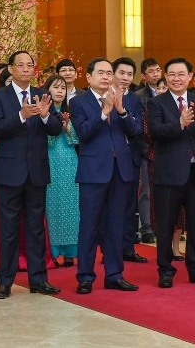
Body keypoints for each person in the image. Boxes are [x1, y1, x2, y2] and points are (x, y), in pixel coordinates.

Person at [0, 51, 63, 299]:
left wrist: (43, 115)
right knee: (8, 229)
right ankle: (5, 281)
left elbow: (54, 129)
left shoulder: (43, 94)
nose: (25, 69)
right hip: (10, 172)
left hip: (37, 171)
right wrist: (21, 116)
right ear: (10, 68)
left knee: (36, 228)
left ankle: (38, 279)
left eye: (29, 65)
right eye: (19, 65)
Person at [69, 57, 142, 294]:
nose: (106, 77)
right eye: (100, 72)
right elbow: (83, 133)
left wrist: (120, 111)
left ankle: (114, 274)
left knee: (115, 225)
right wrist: (103, 113)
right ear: (88, 77)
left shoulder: (125, 99)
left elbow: (135, 131)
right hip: (93, 172)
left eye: (109, 72)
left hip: (120, 170)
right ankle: (86, 276)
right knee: (89, 226)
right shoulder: (79, 102)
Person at [147, 57, 195, 289]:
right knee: (166, 225)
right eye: (172, 74)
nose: (177, 78)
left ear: (190, 77)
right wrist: (179, 123)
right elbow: (155, 132)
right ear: (166, 77)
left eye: (181, 74)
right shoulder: (157, 103)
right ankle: (165, 271)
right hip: (168, 174)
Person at [111, 57, 146, 264]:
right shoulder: (102, 96)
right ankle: (110, 249)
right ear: (113, 73)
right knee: (110, 207)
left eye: (129, 74)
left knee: (128, 206)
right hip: (107, 160)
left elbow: (137, 129)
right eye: (121, 73)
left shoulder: (134, 99)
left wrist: (123, 112)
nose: (125, 78)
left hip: (130, 159)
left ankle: (127, 248)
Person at [43, 75, 80, 266]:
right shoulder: (42, 112)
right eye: (55, 87)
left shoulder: (72, 111)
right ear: (47, 90)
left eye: (63, 88)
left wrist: (67, 128)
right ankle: (53, 251)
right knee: (52, 205)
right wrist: (54, 125)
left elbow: (77, 140)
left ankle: (69, 250)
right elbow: (45, 140)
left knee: (71, 205)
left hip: (70, 161)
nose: (59, 91)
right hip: (50, 161)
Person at [134, 58, 162, 244]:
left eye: (158, 70)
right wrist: (145, 149)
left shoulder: (168, 93)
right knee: (146, 190)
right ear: (144, 76)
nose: (156, 74)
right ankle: (146, 227)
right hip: (145, 150)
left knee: (163, 189)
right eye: (151, 71)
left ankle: (161, 225)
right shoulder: (138, 96)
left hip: (165, 151)